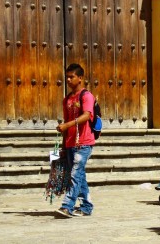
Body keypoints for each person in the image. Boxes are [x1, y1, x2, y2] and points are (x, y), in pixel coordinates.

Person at [55, 63, 96, 218]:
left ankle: (67, 206)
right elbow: (66, 121)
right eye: (67, 77)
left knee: (75, 173)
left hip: (84, 142)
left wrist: (68, 125)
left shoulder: (86, 96)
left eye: (71, 77)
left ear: (80, 78)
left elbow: (86, 115)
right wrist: (64, 146)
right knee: (79, 175)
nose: (69, 80)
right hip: (71, 143)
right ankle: (86, 207)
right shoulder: (67, 100)